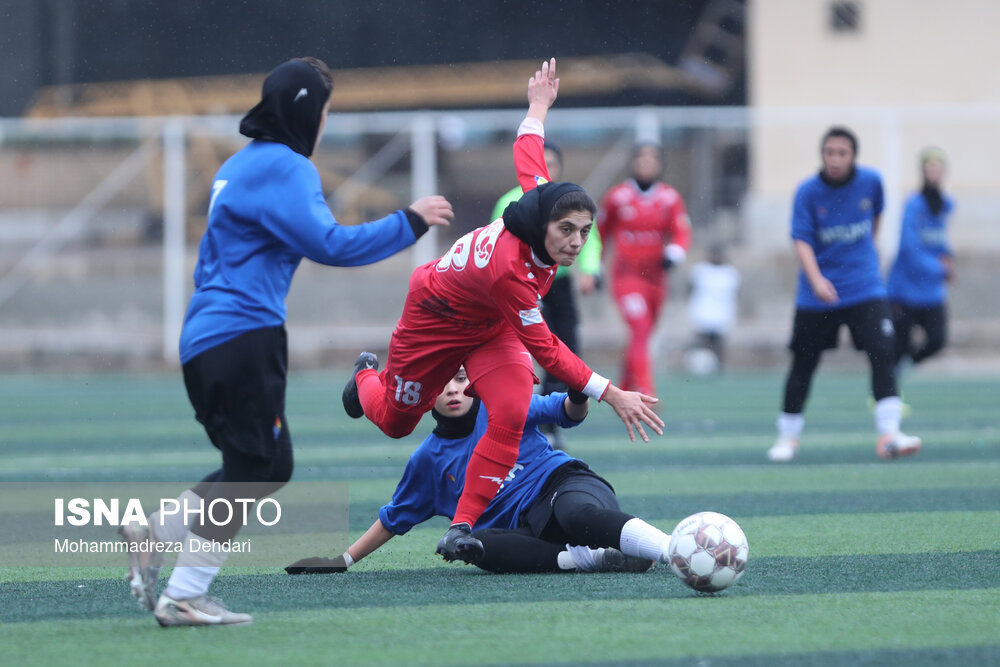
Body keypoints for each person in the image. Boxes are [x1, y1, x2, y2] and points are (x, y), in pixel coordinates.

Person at [117, 57, 454, 627]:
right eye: (324, 111)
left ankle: (154, 533)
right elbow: (331, 244)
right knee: (254, 464)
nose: (324, 123)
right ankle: (184, 594)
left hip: (208, 335)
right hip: (243, 334)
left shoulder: (239, 165)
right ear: (305, 111)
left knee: (270, 462)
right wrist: (411, 221)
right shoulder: (287, 166)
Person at [343, 59, 663, 563]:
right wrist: (611, 393)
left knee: (511, 411)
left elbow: (527, 150)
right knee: (395, 422)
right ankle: (365, 376)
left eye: (584, 231)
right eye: (567, 231)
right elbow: (547, 350)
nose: (576, 242)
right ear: (544, 226)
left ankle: (462, 525)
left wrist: (538, 105)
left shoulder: (541, 204)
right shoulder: (510, 272)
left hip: (489, 323)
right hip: (435, 319)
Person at [290, 368, 671, 575]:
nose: (452, 390)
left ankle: (672, 549)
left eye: (459, 378)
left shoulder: (502, 404)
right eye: (440, 384)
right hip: (529, 532)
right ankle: (592, 559)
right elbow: (392, 519)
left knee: (575, 515)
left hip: (564, 485)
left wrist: (577, 392)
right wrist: (342, 560)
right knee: (474, 547)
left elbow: (568, 413)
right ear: (425, 397)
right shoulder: (427, 460)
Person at [767, 126, 921, 463]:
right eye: (830, 152)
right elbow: (801, 239)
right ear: (822, 155)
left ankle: (890, 433)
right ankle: (788, 436)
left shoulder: (872, 182)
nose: (835, 159)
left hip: (865, 287)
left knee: (883, 350)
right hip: (817, 293)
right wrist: (817, 280)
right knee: (804, 362)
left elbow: (876, 217)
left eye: (842, 153)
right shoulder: (807, 191)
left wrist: (866, 256)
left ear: (853, 156)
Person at [491, 141, 603, 449]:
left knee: (566, 350)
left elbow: (590, 238)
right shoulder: (510, 202)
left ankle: (550, 426)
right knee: (523, 357)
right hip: (521, 289)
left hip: (559, 286)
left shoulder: (569, 201)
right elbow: (495, 245)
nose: (547, 169)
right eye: (543, 163)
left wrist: (590, 270)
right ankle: (507, 424)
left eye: (553, 163)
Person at [597, 143, 692, 396]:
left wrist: (675, 252)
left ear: (660, 165)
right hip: (627, 276)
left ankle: (623, 388)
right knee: (639, 327)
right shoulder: (617, 197)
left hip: (656, 278)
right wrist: (595, 266)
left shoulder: (669, 198)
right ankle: (645, 391)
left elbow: (682, 230)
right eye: (641, 159)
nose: (646, 164)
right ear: (633, 163)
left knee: (644, 332)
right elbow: (599, 233)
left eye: (652, 159)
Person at [886, 147, 955, 379]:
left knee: (937, 339)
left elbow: (940, 240)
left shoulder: (946, 204)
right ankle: (888, 393)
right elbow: (909, 247)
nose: (933, 172)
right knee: (899, 344)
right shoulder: (913, 204)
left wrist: (948, 259)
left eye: (937, 168)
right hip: (906, 289)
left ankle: (907, 364)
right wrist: (939, 268)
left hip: (932, 291)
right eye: (929, 167)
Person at [686, 243, 740, 373]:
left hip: (722, 311)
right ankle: (700, 369)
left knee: (719, 343)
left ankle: (720, 368)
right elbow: (689, 289)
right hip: (703, 310)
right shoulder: (699, 270)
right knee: (702, 341)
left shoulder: (731, 273)